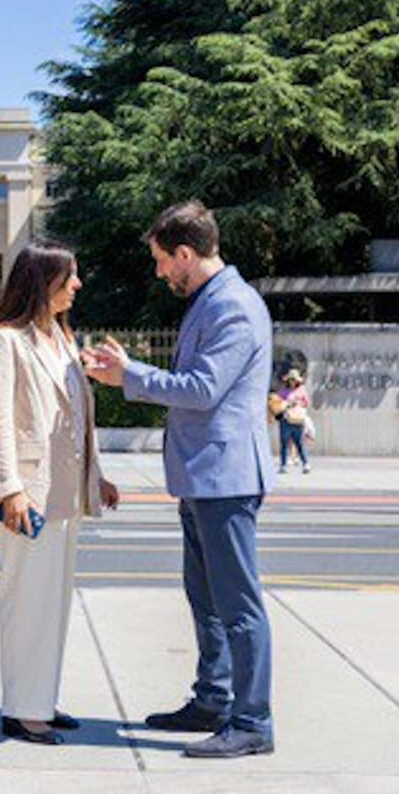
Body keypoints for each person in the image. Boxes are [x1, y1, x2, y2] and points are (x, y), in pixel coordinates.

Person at [84, 200, 276, 758]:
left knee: (238, 604)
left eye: (163, 261)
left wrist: (130, 375)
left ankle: (253, 720)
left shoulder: (234, 306)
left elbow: (202, 389)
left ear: (187, 254)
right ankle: (213, 700)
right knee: (205, 597)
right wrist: (130, 369)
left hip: (226, 478)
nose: (160, 272)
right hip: (203, 477)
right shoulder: (208, 301)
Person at [0, 240, 120, 746]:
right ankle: (20, 710)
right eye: (70, 276)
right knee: (26, 600)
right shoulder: (5, 340)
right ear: (43, 281)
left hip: (66, 491)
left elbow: (78, 416)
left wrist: (97, 476)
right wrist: (9, 489)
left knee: (54, 601)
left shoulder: (61, 337)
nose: (78, 285)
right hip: (29, 494)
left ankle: (41, 698)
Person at [275, 369, 311, 474]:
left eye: (294, 380)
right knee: (284, 443)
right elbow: (278, 402)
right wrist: (286, 404)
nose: (293, 382)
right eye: (291, 380)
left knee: (299, 443)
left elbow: (306, 403)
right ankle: (283, 465)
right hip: (286, 419)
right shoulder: (283, 390)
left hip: (297, 420)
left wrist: (298, 403)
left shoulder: (301, 390)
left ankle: (305, 463)